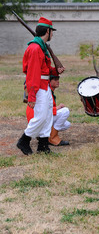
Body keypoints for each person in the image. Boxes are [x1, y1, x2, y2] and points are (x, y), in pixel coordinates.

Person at [17, 17, 64, 155]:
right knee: (41, 117)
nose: (53, 35)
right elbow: (32, 74)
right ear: (48, 31)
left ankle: (43, 145)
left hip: (45, 87)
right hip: (38, 88)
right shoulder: (35, 48)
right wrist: (32, 95)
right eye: (52, 31)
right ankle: (24, 140)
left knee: (48, 115)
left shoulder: (41, 48)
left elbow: (45, 70)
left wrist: (56, 71)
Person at [26, 69, 71, 146]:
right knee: (65, 111)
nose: (58, 81)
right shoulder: (45, 92)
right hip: (36, 120)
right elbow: (44, 109)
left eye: (58, 79)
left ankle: (43, 136)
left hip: (40, 119)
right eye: (55, 79)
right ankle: (52, 138)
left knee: (66, 124)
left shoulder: (48, 91)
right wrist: (57, 108)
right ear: (48, 81)